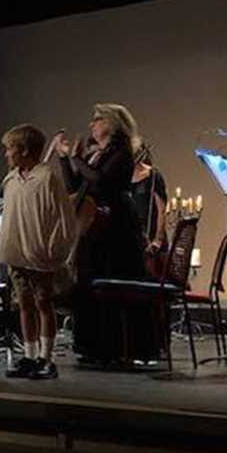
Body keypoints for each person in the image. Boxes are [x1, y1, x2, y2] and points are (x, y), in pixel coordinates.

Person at [56, 103, 146, 365]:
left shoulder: (122, 151)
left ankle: (115, 347)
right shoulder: (98, 153)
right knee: (89, 280)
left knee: (110, 278)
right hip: (95, 222)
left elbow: (101, 181)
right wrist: (64, 157)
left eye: (98, 119)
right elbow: (76, 185)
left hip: (116, 224)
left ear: (113, 123)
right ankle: (92, 346)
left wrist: (76, 158)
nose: (91, 124)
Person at [0, 124, 76, 380]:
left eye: (10, 149)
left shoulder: (46, 178)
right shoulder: (11, 179)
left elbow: (63, 218)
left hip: (39, 252)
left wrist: (55, 248)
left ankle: (47, 357)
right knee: (24, 304)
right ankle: (29, 355)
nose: (6, 154)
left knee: (43, 302)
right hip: (16, 251)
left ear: (24, 150)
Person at [130, 145, 169, 280]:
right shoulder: (122, 176)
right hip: (134, 236)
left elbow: (162, 209)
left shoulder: (153, 176)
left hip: (151, 236)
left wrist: (158, 239)